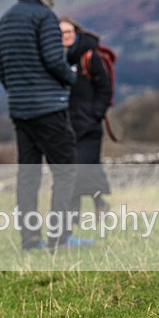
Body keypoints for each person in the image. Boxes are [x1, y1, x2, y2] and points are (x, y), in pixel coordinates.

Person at [0, 0, 84, 251]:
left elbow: (2, 68)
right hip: (49, 108)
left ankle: (30, 240)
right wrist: (72, 77)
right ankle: (60, 239)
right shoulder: (44, 16)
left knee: (28, 176)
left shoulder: (5, 20)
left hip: (20, 110)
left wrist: (19, 93)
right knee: (65, 171)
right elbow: (54, 60)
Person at [59, 17, 112, 238]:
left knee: (81, 167)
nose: (66, 36)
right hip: (64, 126)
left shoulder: (89, 57)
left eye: (69, 31)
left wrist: (95, 114)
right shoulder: (54, 57)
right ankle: (96, 203)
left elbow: (104, 88)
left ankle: (83, 210)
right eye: (61, 32)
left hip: (89, 126)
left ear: (76, 31)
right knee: (76, 169)